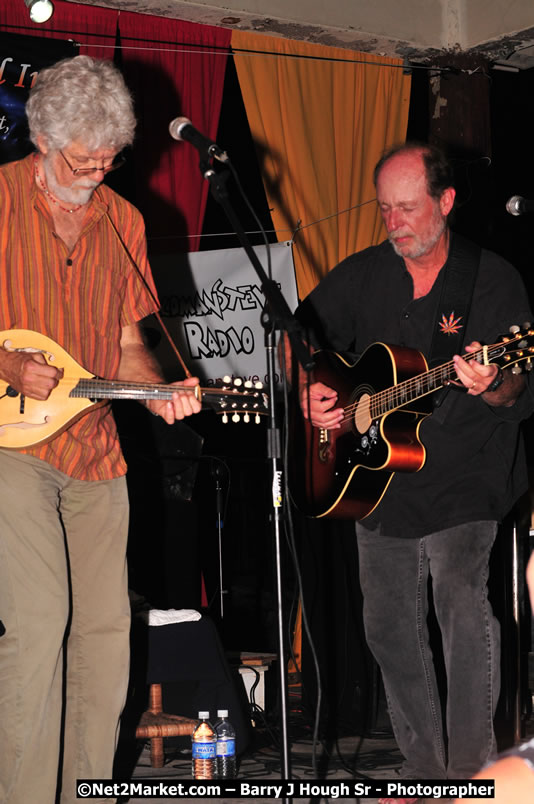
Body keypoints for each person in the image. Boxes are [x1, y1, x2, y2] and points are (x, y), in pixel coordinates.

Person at [293, 142, 534, 801]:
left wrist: (491, 383)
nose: (393, 221)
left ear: (445, 202)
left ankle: (472, 776)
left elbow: (518, 388)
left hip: (467, 472)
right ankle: (425, 769)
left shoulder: (492, 280)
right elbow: (304, 336)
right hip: (379, 477)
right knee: (388, 622)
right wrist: (316, 387)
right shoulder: (364, 274)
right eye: (384, 209)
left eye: (407, 207)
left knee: (460, 602)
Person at [0, 56, 201, 804]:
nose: (95, 176)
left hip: (96, 448)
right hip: (9, 447)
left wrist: (156, 393)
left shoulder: (125, 220)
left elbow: (125, 345)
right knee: (40, 619)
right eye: (82, 163)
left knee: (108, 638)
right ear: (40, 139)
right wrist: (8, 363)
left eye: (109, 161)